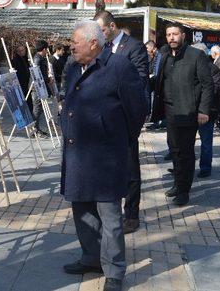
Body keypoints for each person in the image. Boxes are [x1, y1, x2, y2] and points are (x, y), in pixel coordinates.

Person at [60, 20, 148, 291]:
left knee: (110, 218)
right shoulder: (74, 67)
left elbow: (138, 110)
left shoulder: (119, 67)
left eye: (76, 42)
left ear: (94, 43)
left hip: (106, 157)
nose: (71, 46)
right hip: (77, 155)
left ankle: (114, 271)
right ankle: (91, 258)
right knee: (82, 211)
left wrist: (119, 138)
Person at [94, 11, 149, 233]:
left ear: (112, 26)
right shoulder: (102, 48)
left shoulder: (134, 47)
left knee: (130, 169)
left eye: (102, 30)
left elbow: (140, 78)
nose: (99, 35)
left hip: (125, 117)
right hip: (103, 118)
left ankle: (132, 214)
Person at [151, 24, 213, 206]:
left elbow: (207, 85)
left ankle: (184, 191)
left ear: (183, 36)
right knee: (174, 150)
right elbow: (159, 81)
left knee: (185, 152)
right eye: (168, 34)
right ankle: (178, 184)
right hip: (169, 110)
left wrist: (203, 110)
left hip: (188, 110)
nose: (171, 37)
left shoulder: (196, 56)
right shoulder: (164, 55)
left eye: (175, 34)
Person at [192, 43, 220, 178]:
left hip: (207, 111)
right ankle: (185, 166)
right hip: (190, 110)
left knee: (206, 142)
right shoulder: (190, 66)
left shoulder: (213, 69)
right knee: (186, 141)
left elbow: (214, 91)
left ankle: (205, 167)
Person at [31, 40, 52, 137]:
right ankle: (34, 129)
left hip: (40, 87)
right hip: (37, 87)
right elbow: (37, 76)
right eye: (46, 49)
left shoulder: (40, 58)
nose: (47, 51)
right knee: (37, 108)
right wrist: (48, 79)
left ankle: (37, 128)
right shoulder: (37, 59)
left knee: (40, 108)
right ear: (44, 49)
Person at [11, 45, 33, 113]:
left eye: (23, 50)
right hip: (21, 84)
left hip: (26, 83)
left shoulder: (25, 58)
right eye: (20, 51)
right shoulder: (15, 60)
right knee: (24, 101)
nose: (22, 52)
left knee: (28, 100)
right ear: (17, 52)